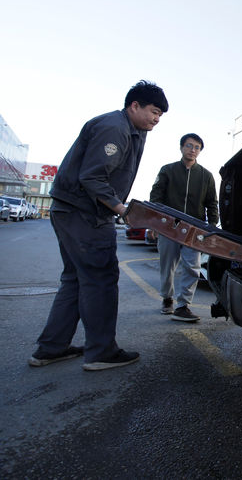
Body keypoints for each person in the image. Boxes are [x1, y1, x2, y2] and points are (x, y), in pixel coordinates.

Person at [29, 80, 168, 371]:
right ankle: (102, 352)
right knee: (101, 280)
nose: (157, 119)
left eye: (160, 115)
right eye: (154, 112)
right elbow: (92, 178)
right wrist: (122, 209)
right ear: (134, 106)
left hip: (71, 211)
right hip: (85, 214)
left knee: (76, 279)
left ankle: (50, 349)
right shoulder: (114, 128)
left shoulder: (133, 130)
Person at [150, 133, 218, 322]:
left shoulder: (206, 176)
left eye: (197, 147)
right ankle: (167, 298)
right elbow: (156, 198)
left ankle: (183, 305)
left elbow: (212, 203)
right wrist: (154, 224)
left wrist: (211, 227)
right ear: (181, 147)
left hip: (193, 230)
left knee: (192, 267)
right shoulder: (167, 170)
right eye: (189, 146)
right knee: (167, 265)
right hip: (168, 227)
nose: (192, 150)